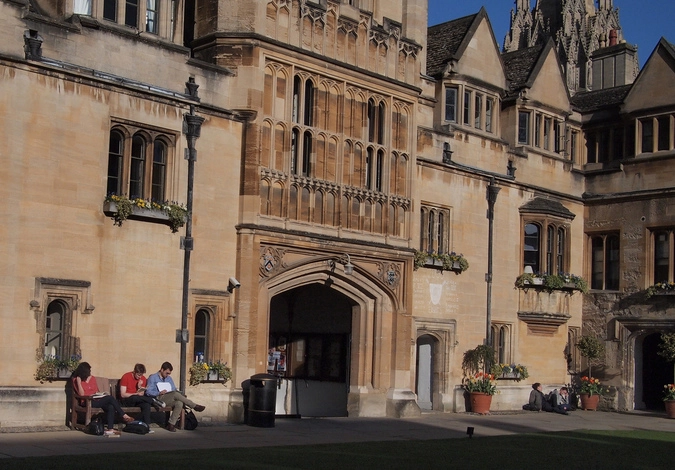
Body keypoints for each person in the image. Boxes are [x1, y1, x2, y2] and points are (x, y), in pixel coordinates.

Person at [71, 362, 134, 435]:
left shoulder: (92, 378)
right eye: (88, 371)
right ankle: (124, 415)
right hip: (87, 401)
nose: (89, 373)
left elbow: (96, 391)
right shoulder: (76, 380)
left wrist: (100, 394)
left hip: (96, 399)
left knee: (110, 406)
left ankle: (110, 429)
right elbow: (81, 394)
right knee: (110, 398)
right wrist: (79, 383)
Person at [146, 361, 206, 432]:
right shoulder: (153, 377)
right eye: (167, 373)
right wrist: (159, 392)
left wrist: (178, 392)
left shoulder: (169, 379)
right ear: (162, 370)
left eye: (169, 373)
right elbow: (148, 392)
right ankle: (194, 406)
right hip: (158, 398)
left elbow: (173, 389)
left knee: (179, 403)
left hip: (169, 397)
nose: (167, 375)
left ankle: (171, 424)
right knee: (175, 394)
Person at [119, 363, 159, 431]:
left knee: (146, 405)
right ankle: (152, 400)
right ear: (134, 371)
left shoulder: (143, 379)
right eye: (138, 375)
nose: (140, 377)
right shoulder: (126, 376)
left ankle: (147, 426)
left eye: (141, 375)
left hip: (138, 400)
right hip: (127, 400)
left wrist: (139, 387)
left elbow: (141, 394)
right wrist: (136, 394)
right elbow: (123, 394)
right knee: (135, 397)